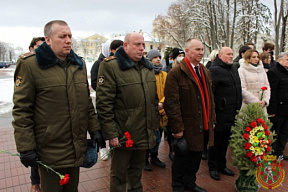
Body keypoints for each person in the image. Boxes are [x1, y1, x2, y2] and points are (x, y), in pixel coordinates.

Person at [12, 20, 104, 192]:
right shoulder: (30, 65)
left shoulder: (78, 65)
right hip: (49, 151)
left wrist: (95, 129)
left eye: (70, 36)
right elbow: (22, 110)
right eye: (62, 36)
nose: (68, 40)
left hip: (76, 148)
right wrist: (26, 147)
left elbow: (86, 103)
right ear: (48, 39)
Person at [96, 32, 159, 192]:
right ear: (125, 46)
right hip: (123, 134)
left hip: (143, 130)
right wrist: (111, 133)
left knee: (136, 173)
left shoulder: (147, 68)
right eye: (137, 44)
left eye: (143, 45)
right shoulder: (111, 66)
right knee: (119, 175)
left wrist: (153, 125)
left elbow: (151, 101)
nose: (141, 48)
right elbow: (104, 104)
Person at [164, 38, 216, 192]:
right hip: (186, 126)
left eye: (202, 50)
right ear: (187, 51)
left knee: (196, 158)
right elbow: (171, 104)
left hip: (203, 123)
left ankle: (190, 183)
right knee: (182, 159)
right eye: (197, 50)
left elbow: (210, 98)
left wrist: (212, 119)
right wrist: (177, 128)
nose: (201, 52)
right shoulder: (176, 73)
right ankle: (178, 186)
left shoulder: (204, 71)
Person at [208, 47, 242, 180]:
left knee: (224, 143)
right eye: (228, 54)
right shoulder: (214, 70)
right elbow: (211, 95)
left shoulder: (233, 68)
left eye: (232, 54)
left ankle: (222, 165)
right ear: (220, 55)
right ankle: (213, 167)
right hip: (220, 114)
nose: (231, 56)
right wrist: (213, 116)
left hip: (232, 113)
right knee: (215, 143)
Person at [90, 39, 123, 161]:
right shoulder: (99, 64)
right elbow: (95, 82)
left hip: (117, 101)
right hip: (103, 98)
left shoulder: (121, 63)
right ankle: (103, 147)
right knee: (103, 122)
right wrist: (106, 90)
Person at [25, 36, 45, 192]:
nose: (41, 49)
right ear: (31, 49)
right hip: (34, 123)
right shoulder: (27, 66)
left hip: (46, 126)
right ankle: (35, 183)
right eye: (38, 47)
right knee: (35, 157)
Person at [143, 49, 167, 171]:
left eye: (159, 57)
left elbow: (169, 90)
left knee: (159, 135)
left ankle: (155, 157)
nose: (158, 59)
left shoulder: (164, 74)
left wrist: (162, 102)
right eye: (155, 57)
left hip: (162, 110)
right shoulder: (146, 73)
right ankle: (145, 159)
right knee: (150, 136)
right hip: (151, 110)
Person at [267, 52, 288, 160]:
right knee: (275, 131)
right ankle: (272, 152)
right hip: (278, 108)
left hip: (286, 108)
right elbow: (273, 92)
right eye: (287, 60)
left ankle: (279, 151)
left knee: (284, 132)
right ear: (280, 60)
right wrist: (272, 109)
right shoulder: (273, 72)